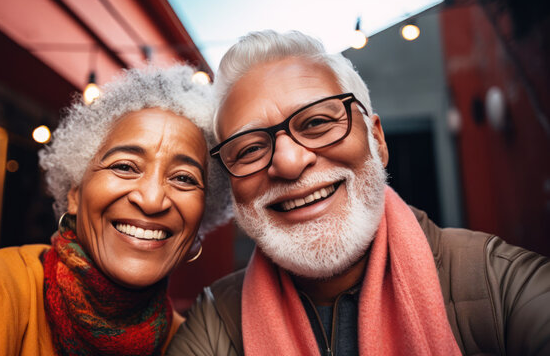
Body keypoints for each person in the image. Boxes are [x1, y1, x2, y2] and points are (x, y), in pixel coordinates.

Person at [167, 31, 550, 356]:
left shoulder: (498, 283)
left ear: (376, 139)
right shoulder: (215, 323)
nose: (288, 162)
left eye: (317, 122)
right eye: (249, 149)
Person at [0, 64, 232, 355]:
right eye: (125, 166)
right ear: (75, 193)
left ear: (202, 214)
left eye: (183, 178)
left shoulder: (193, 343)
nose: (151, 199)